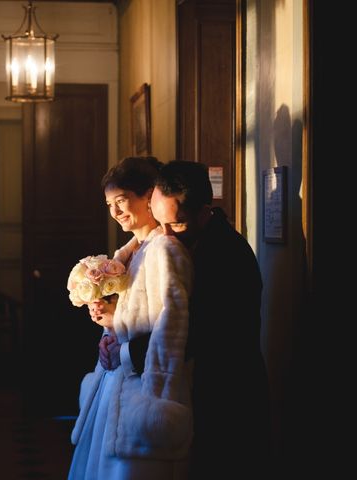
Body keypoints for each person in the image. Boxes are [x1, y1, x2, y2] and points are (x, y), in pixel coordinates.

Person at [99, 160, 270, 477]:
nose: (165, 235)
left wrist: (125, 352)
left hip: (227, 394)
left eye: (175, 225)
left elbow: (199, 331)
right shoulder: (182, 241)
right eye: (159, 222)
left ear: (205, 211)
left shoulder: (225, 255)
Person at [68, 157, 194, 480]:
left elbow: (170, 323)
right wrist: (109, 320)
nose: (115, 211)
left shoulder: (165, 250)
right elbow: (136, 312)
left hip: (142, 387)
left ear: (148, 196)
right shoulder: (130, 253)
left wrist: (158, 398)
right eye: (110, 204)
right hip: (116, 384)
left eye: (121, 201)